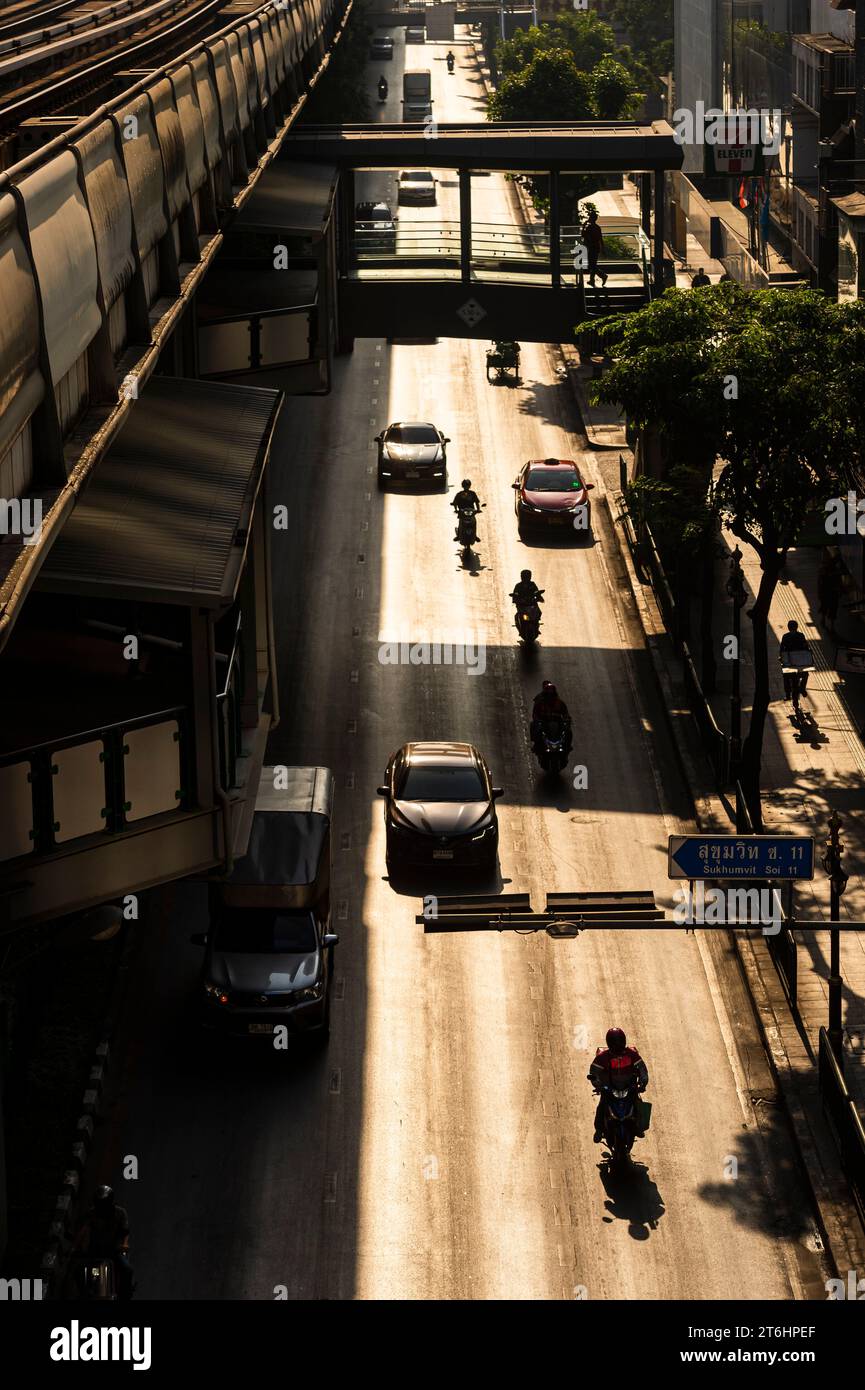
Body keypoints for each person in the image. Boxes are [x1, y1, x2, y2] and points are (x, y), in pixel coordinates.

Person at [588, 1027, 649, 1143]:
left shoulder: (631, 1054)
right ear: (609, 1043)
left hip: (629, 1087)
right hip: (609, 1089)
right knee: (602, 1106)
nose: (618, 1045)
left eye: (620, 1042)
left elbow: (642, 1068)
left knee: (637, 1103)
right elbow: (593, 1072)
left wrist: (643, 1081)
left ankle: (638, 1127)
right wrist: (597, 1084)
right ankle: (599, 1130)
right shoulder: (602, 1057)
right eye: (615, 1043)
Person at [74, 1184, 133, 1299]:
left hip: (113, 1251)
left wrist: (125, 1244)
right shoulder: (91, 1214)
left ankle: (124, 1295)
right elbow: (83, 1230)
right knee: (78, 1271)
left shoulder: (120, 1213)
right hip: (94, 1251)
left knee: (128, 1270)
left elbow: (125, 1232)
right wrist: (75, 1247)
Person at [531, 680, 571, 751]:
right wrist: (537, 720)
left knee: (568, 731)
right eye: (548, 694)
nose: (550, 696)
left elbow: (566, 713)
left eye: (551, 694)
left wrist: (567, 719)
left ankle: (567, 745)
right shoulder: (540, 703)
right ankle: (537, 745)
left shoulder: (560, 703)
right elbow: (535, 713)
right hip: (544, 722)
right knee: (535, 728)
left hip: (557, 723)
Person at [779, 619, 811, 700]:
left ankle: (787, 694)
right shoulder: (801, 635)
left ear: (788, 627)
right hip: (800, 661)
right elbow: (806, 647)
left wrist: (781, 657)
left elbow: (782, 649)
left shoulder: (785, 636)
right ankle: (802, 688)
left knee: (786, 677)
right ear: (797, 627)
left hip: (789, 661)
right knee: (805, 674)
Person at [581, 208, 607, 288]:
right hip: (596, 247)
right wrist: (603, 248)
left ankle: (602, 275)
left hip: (591, 248)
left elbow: (583, 235)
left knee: (591, 265)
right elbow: (600, 238)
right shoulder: (597, 227)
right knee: (593, 264)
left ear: (591, 218)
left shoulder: (589, 227)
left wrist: (584, 225)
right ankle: (592, 280)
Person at [818, 552, 843, 632]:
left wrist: (820, 593)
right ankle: (831, 625)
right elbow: (839, 583)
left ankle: (823, 619)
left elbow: (820, 583)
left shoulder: (824, 571)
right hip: (832, 593)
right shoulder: (836, 572)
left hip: (825, 592)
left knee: (824, 606)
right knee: (833, 608)